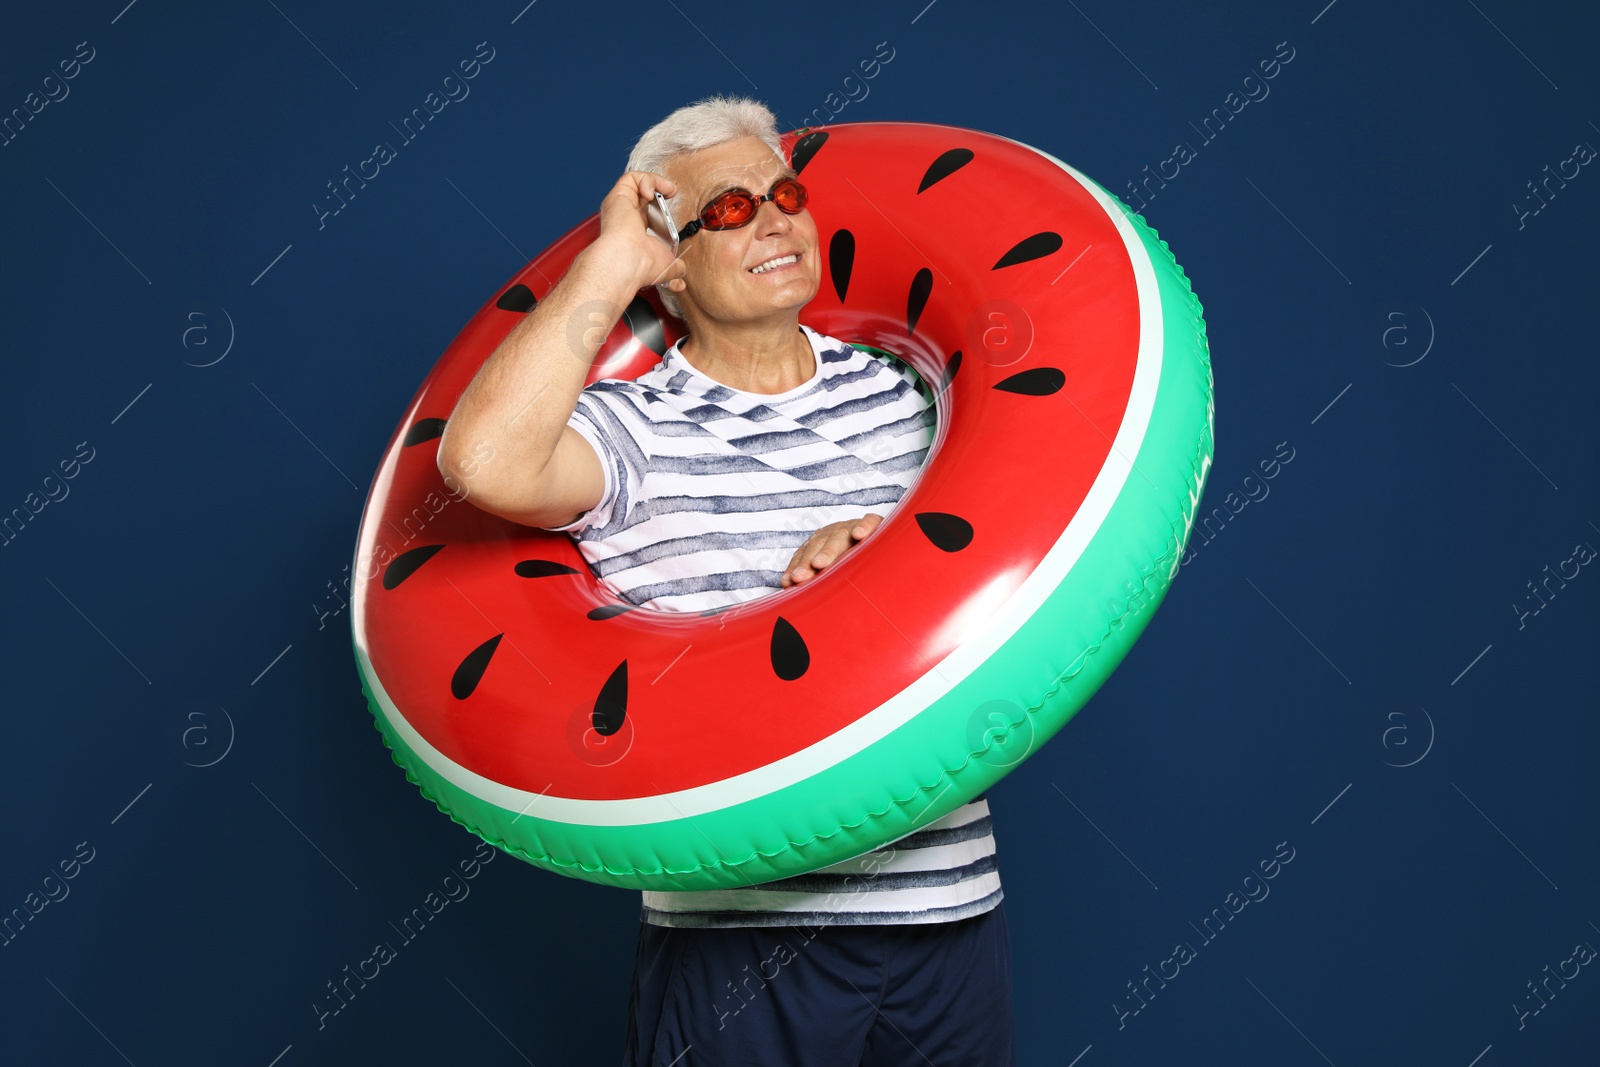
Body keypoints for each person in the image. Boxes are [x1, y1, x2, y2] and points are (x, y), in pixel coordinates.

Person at [437, 94, 1014, 1067]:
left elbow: (1005, 572)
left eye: (785, 192)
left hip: (950, 910)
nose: (777, 215)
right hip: (739, 934)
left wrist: (879, 559)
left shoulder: (915, 390)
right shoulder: (630, 430)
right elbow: (484, 462)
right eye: (733, 210)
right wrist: (612, 260)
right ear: (671, 265)